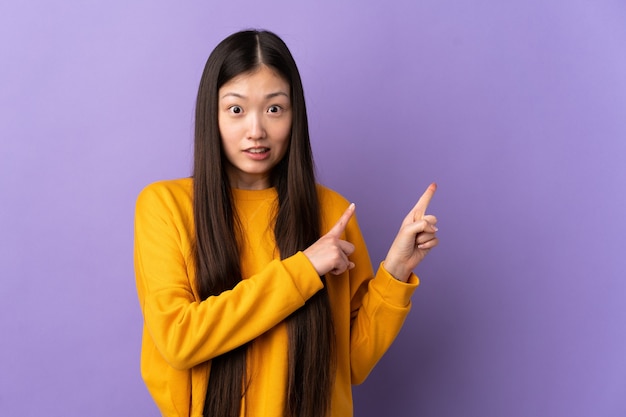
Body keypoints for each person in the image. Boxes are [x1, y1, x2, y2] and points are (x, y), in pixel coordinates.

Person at [134, 29, 439, 417]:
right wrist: (305, 268)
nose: (256, 130)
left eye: (274, 109)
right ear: (210, 114)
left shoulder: (332, 212)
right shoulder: (166, 206)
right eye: (236, 109)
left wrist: (395, 272)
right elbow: (178, 340)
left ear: (295, 116)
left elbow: (351, 364)